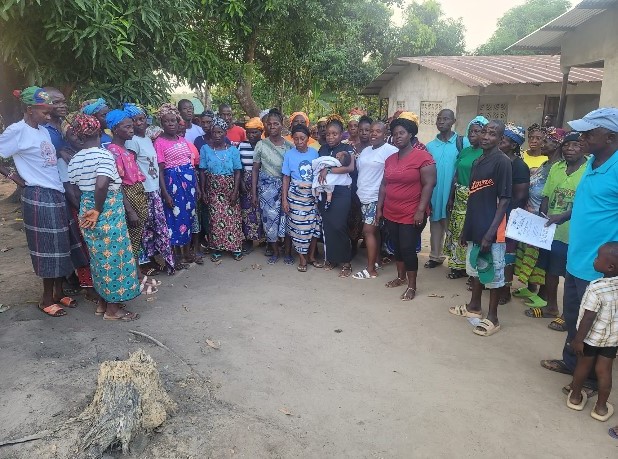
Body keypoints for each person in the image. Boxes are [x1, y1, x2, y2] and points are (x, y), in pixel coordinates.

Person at [540, 108, 618, 383]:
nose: (581, 138)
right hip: (577, 257)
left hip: (601, 267)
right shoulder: (592, 162)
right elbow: (589, 203)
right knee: (574, 316)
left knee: (595, 326)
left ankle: (590, 380)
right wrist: (563, 215)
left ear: (610, 137)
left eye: (588, 133)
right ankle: (571, 363)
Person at [0, 87, 83, 317]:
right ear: (29, 109)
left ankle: (58, 292)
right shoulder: (17, 131)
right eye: (44, 112)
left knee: (62, 245)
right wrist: (13, 176)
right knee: (47, 247)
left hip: (55, 192)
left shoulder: (43, 131)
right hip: (38, 195)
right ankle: (46, 299)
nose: (48, 116)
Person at [67, 114, 140, 320]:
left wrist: (88, 208)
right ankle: (113, 310)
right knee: (115, 258)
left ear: (79, 135)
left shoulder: (75, 159)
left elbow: (73, 190)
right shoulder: (104, 156)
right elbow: (101, 184)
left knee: (99, 258)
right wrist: (98, 209)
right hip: (107, 209)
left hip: (86, 208)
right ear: (99, 131)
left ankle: (103, 302)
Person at [449, 120, 512, 336]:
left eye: (492, 134)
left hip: (492, 230)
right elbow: (473, 198)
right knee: (476, 268)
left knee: (492, 274)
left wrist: (490, 233)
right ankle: (474, 306)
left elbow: (504, 200)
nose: (486, 137)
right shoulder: (478, 161)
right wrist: (466, 229)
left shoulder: (502, 162)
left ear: (500, 139)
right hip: (475, 226)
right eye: (484, 132)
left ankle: (493, 318)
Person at [526, 132, 587, 321]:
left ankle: (569, 315)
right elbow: (546, 195)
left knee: (571, 275)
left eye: (575, 145)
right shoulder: (556, 167)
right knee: (551, 270)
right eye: (567, 145)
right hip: (552, 231)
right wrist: (542, 219)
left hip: (574, 233)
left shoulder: (588, 169)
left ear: (583, 147)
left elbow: (586, 203)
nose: (570, 149)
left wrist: (562, 217)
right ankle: (551, 307)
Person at [378, 117, 436, 299]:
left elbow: (429, 184)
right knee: (396, 246)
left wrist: (420, 210)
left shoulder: (423, 157)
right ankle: (400, 277)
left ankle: (412, 285)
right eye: (395, 134)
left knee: (407, 248)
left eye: (401, 133)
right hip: (391, 211)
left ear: (410, 134)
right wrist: (379, 208)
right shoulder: (390, 159)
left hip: (412, 213)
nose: (398, 137)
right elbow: (384, 185)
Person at [566, 242, 618, 423]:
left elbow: (588, 317)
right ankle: (601, 408)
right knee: (604, 372)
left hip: (590, 339)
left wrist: (578, 340)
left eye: (597, 258)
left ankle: (575, 397)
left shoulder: (596, 287)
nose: (594, 260)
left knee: (583, 367)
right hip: (611, 340)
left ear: (610, 267)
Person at [513, 128, 565, 307]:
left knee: (543, 258)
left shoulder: (558, 167)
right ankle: (531, 287)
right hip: (532, 215)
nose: (542, 143)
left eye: (546, 141)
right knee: (531, 256)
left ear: (557, 144)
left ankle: (544, 295)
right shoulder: (546, 163)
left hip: (543, 218)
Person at [124, 103, 176, 275]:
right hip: (143, 191)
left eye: (142, 118)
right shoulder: (132, 142)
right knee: (144, 230)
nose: (139, 123)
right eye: (135, 120)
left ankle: (157, 259)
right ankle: (145, 263)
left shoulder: (146, 138)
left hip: (154, 189)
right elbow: (131, 168)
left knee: (157, 228)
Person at [153, 103, 199, 266]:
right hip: (173, 185)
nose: (170, 124)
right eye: (166, 121)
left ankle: (187, 253)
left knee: (188, 217)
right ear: (162, 123)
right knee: (174, 219)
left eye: (173, 120)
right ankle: (175, 257)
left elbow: (189, 164)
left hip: (189, 185)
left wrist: (196, 187)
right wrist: (165, 194)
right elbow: (160, 170)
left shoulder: (182, 140)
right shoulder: (159, 142)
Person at [444, 116, 488, 280]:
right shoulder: (465, 151)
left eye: (477, 131)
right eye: (470, 131)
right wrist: (451, 197)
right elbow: (456, 175)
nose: (472, 134)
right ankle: (457, 265)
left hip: (475, 197)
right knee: (456, 230)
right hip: (459, 196)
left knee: (470, 232)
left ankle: (471, 268)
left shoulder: (486, 154)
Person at [353, 120, 398, 279]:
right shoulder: (366, 151)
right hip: (363, 197)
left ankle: (371, 270)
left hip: (375, 197)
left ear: (385, 134)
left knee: (368, 231)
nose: (373, 134)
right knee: (375, 231)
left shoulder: (390, 151)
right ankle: (377, 261)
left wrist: (382, 203)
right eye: (372, 131)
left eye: (378, 131)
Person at [425, 109, 470, 269]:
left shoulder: (463, 143)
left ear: (453, 121)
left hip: (454, 194)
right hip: (435, 193)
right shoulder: (430, 146)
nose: (441, 121)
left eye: (446, 119)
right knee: (435, 225)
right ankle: (435, 256)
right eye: (439, 118)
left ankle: (457, 261)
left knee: (454, 228)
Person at [105, 109, 148, 263]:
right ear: (115, 129)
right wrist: (130, 210)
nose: (132, 129)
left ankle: (136, 269)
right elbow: (118, 184)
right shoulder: (114, 152)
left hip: (137, 193)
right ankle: (134, 271)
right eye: (127, 127)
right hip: (129, 195)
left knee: (137, 235)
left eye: (131, 126)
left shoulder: (125, 150)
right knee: (132, 236)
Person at [252, 109, 294, 264]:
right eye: (269, 124)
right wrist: (254, 193)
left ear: (282, 125)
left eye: (276, 124)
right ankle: (275, 252)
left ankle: (287, 253)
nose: (272, 127)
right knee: (269, 222)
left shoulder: (289, 147)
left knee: (287, 220)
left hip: (286, 188)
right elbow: (255, 169)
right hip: (266, 190)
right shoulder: (261, 145)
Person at [199, 117, 244, 261]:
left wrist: (235, 191)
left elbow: (237, 171)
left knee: (233, 218)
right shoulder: (205, 149)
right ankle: (217, 248)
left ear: (225, 133)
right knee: (215, 219)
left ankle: (235, 247)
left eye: (220, 132)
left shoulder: (233, 150)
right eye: (214, 132)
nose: (217, 135)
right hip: (213, 189)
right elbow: (202, 171)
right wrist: (203, 191)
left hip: (229, 188)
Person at [317, 116, 356, 277]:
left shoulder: (347, 148)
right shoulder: (322, 149)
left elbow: (350, 167)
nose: (330, 137)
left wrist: (329, 170)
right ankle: (332, 259)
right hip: (324, 192)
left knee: (339, 225)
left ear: (341, 134)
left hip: (341, 193)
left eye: (334, 134)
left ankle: (346, 262)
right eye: (328, 134)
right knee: (328, 226)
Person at [281, 124, 322, 272]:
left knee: (314, 227)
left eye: (302, 138)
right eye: (296, 139)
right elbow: (286, 178)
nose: (299, 142)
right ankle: (302, 258)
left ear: (308, 138)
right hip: (295, 196)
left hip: (312, 196)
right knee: (299, 228)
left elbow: (319, 174)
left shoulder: (315, 153)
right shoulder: (289, 155)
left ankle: (311, 256)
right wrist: (284, 199)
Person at [498, 123, 530, 305]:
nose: (499, 142)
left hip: (509, 215)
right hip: (494, 212)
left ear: (513, 145)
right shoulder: (497, 160)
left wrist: (507, 217)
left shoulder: (519, 166)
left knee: (507, 253)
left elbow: (520, 196)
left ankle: (505, 289)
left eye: (504, 140)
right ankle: (495, 283)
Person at [238, 117, 265, 252]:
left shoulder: (265, 145)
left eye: (255, 132)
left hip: (263, 182)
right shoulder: (242, 146)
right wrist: (241, 182)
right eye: (249, 132)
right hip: (246, 183)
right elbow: (238, 166)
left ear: (261, 132)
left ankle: (265, 240)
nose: (251, 135)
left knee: (263, 211)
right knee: (247, 212)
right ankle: (249, 240)